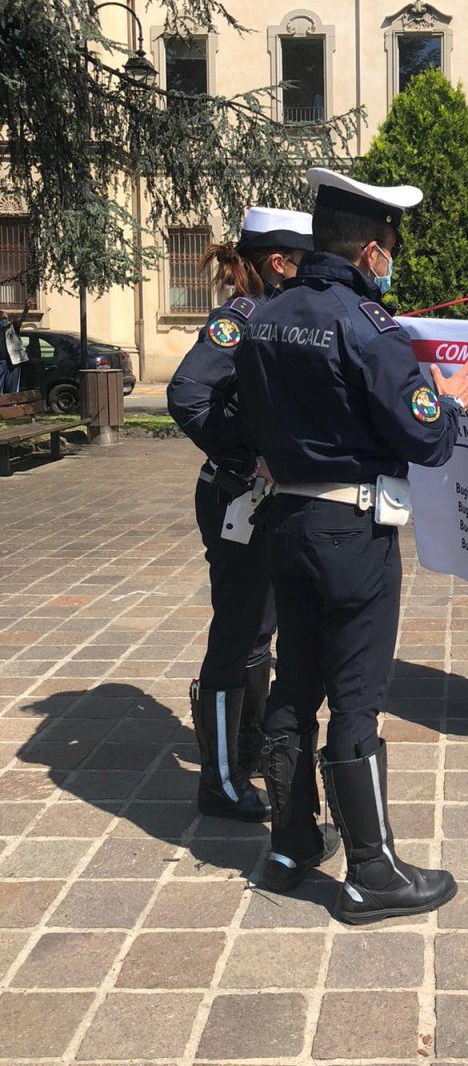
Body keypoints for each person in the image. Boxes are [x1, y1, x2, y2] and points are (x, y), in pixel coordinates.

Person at [234, 167, 468, 918]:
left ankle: (289, 846)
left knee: (294, 686)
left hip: (284, 523)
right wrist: (448, 402)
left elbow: (236, 415)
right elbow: (427, 441)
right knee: (354, 698)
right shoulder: (370, 328)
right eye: (393, 244)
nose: (393, 257)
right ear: (374, 250)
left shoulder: (262, 316)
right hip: (351, 531)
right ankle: (371, 872)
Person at [167, 206, 316, 825]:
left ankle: (245, 746)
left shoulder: (281, 317)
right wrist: (249, 452)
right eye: (306, 261)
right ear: (280, 263)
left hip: (260, 502)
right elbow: (187, 395)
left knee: (260, 626)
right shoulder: (242, 317)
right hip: (236, 498)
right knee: (238, 631)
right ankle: (221, 782)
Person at [0, 302, 28, 394]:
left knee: (12, 389)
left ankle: (12, 406)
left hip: (13, 362)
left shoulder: (11, 328)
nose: (4, 320)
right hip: (1, 362)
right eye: (2, 319)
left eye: (5, 319)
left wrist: (26, 309)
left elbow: (22, 318)